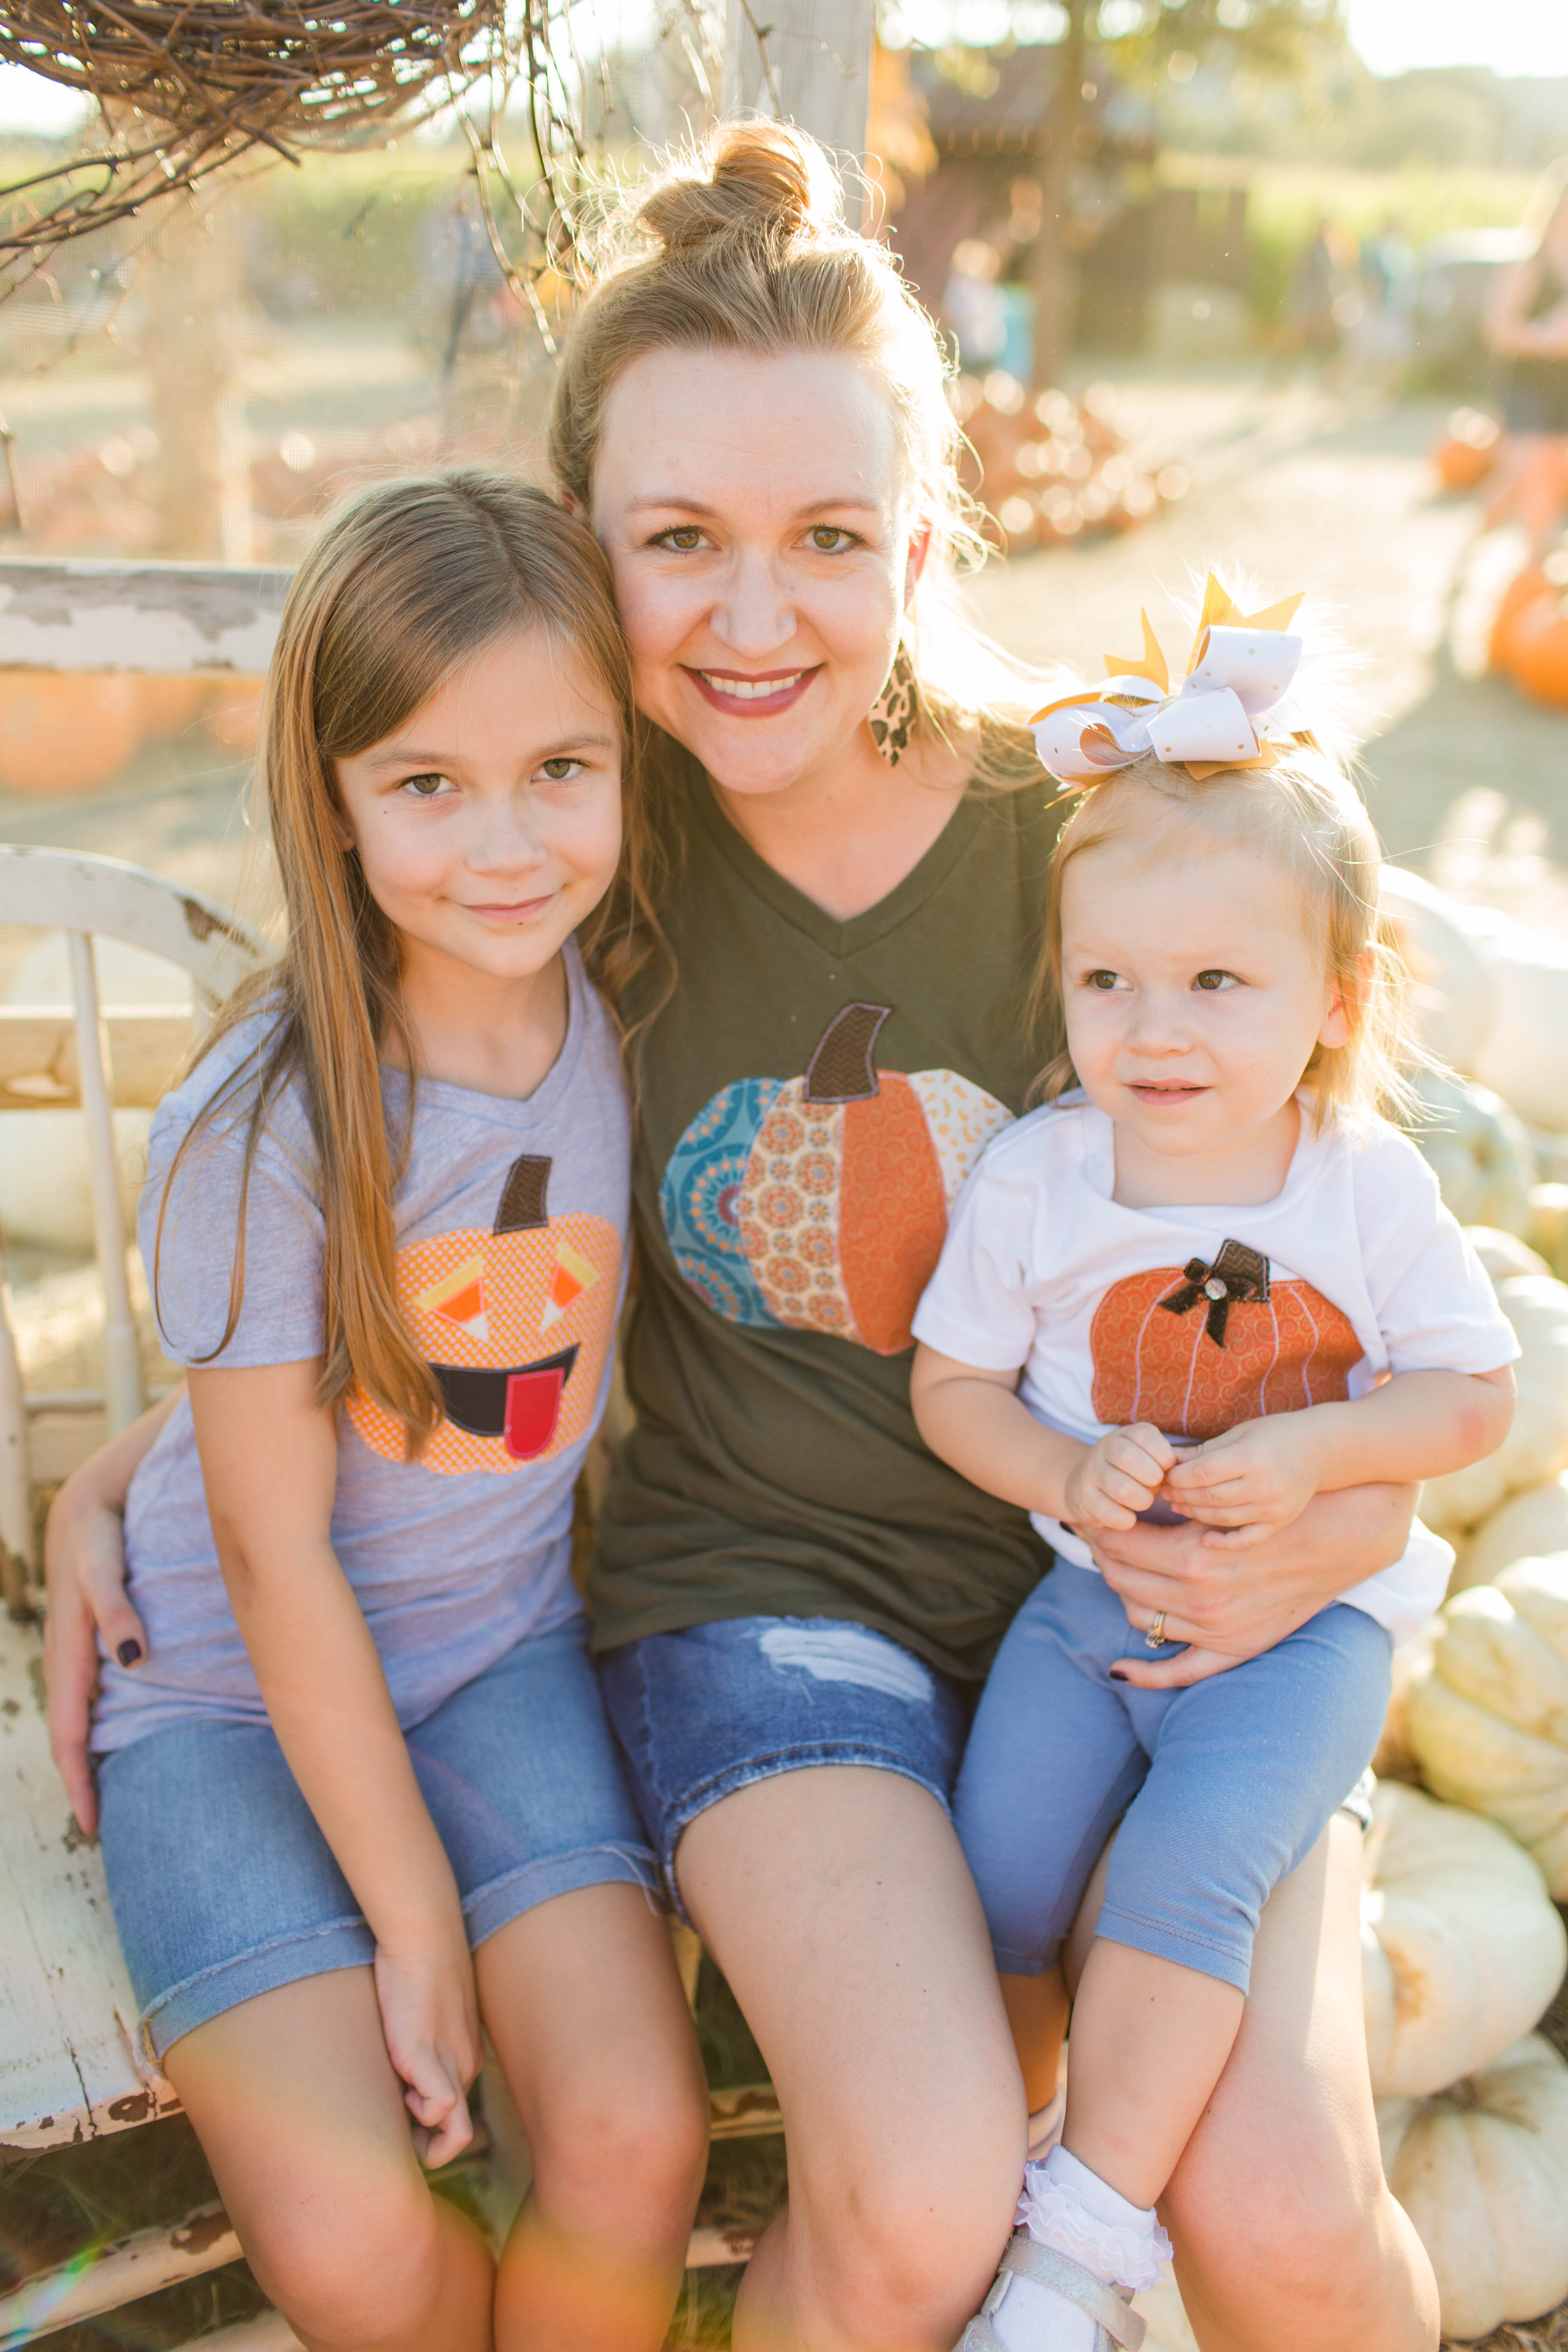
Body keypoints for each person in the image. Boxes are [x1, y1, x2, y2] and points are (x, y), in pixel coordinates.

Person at [49, 126, 1442, 2352]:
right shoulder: (581, 852)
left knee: (1281, 2215)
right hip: (772, 1616)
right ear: (582, 548)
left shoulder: (1099, 837)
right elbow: (379, 1228)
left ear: (922, 541)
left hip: (1162, 1591)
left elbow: (1366, 1219)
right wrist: (135, 1477)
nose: (755, 616)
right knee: (916, 2200)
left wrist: (1347, 1519)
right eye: (680, 541)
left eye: (829, 540)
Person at [58, 471, 708, 2352]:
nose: (504, 844)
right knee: (350, 2236)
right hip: (225, 1700)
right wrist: (414, 1918)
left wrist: (92, 1476)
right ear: (331, 798)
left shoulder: (624, 1009)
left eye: (559, 768)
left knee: (632, 2132)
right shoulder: (265, 1122)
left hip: (497, 1655)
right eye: (425, 781)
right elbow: (268, 1546)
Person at [910, 678, 1516, 2349]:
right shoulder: (1041, 1177)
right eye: (1107, 980)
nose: (1152, 1031)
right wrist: (1059, 1475)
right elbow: (952, 1389)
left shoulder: (1361, 1186)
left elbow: (1474, 1398)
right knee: (998, 1875)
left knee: (1187, 1879)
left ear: (1338, 997)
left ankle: (1081, 2251)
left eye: (1215, 984)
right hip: (1088, 1604)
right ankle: (1033, 2143)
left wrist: (1322, 1452)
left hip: (1301, 1637)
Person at [1485, 163, 1568, 559]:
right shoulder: (1532, 264)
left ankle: (1537, 563)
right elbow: (1499, 330)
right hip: (1529, 386)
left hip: (1564, 388)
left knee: (1541, 480)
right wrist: (1546, 339)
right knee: (1529, 471)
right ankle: (1527, 564)